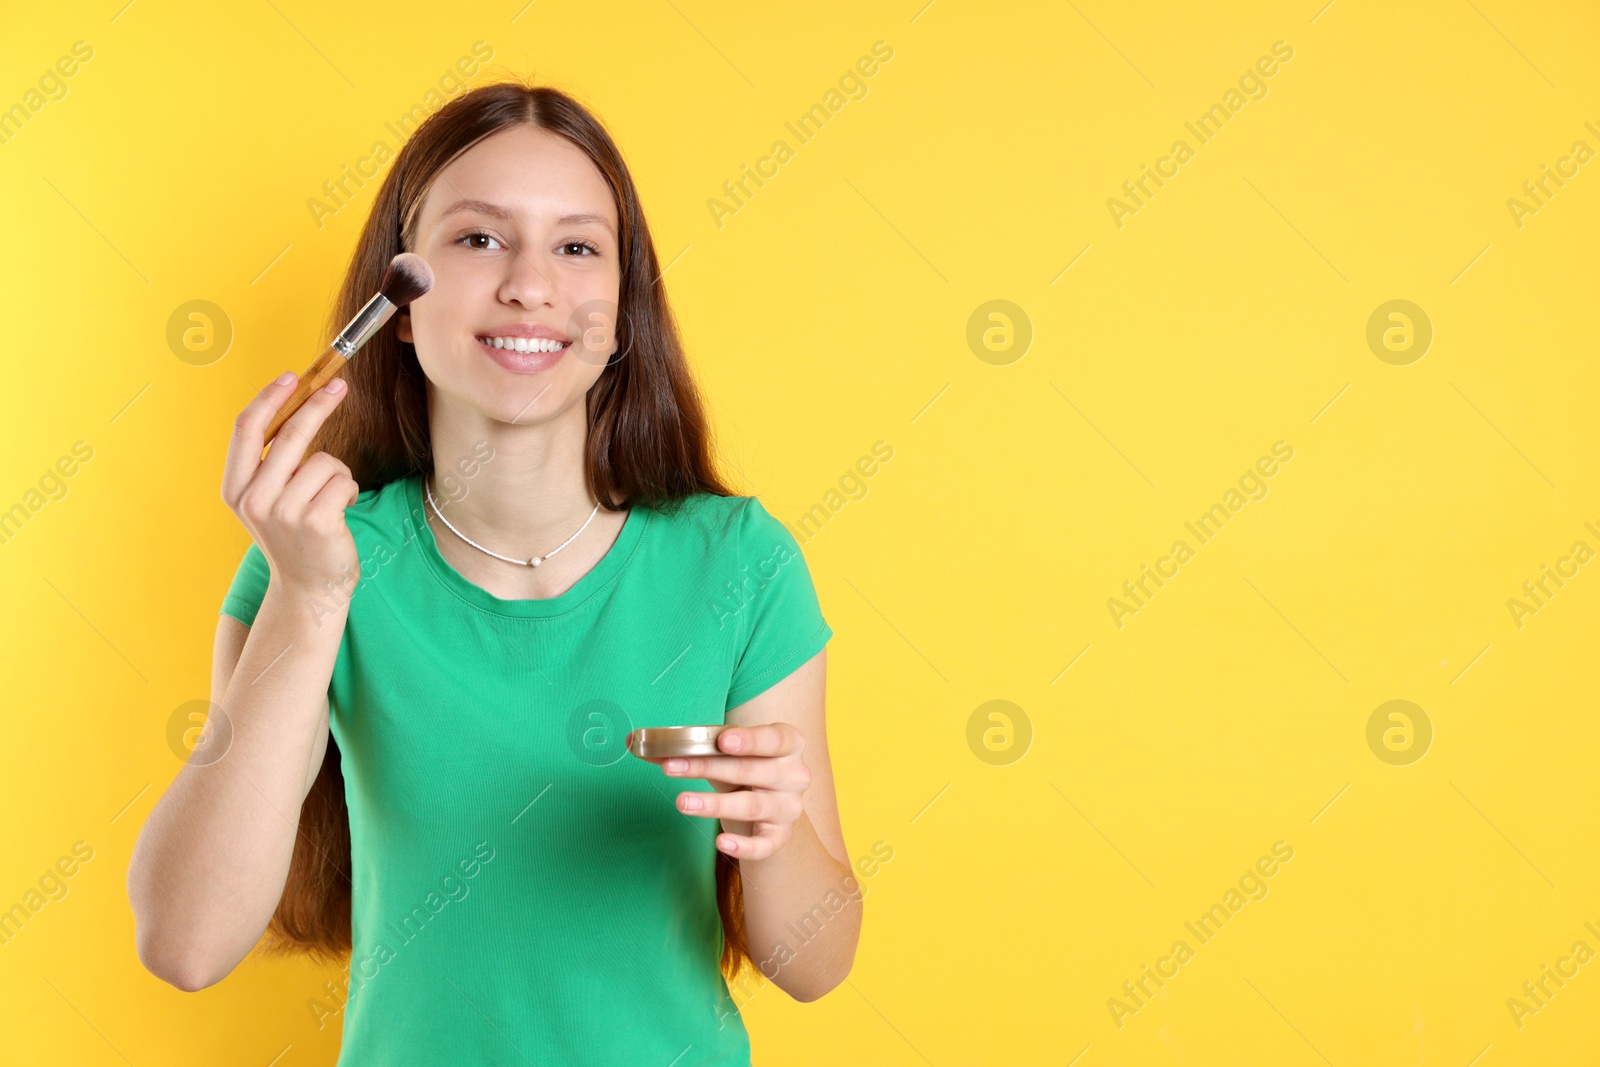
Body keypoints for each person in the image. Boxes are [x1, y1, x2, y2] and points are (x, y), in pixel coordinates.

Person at [127, 81, 860, 1065]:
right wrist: (307, 595)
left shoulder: (738, 560)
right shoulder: (314, 558)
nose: (530, 285)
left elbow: (817, 963)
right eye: (477, 239)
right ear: (396, 305)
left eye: (576, 246)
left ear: (618, 312)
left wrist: (772, 830)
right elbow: (184, 942)